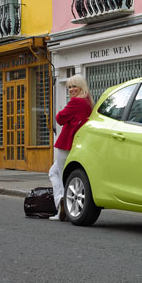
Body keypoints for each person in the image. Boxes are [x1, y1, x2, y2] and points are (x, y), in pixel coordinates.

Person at [48, 74, 94, 220]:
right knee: (54, 172)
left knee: (61, 175)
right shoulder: (88, 101)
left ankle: (62, 205)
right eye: (69, 87)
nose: (71, 90)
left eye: (74, 86)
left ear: (81, 86)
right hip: (77, 143)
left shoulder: (75, 102)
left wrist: (63, 111)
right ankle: (63, 203)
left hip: (66, 142)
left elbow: (59, 118)